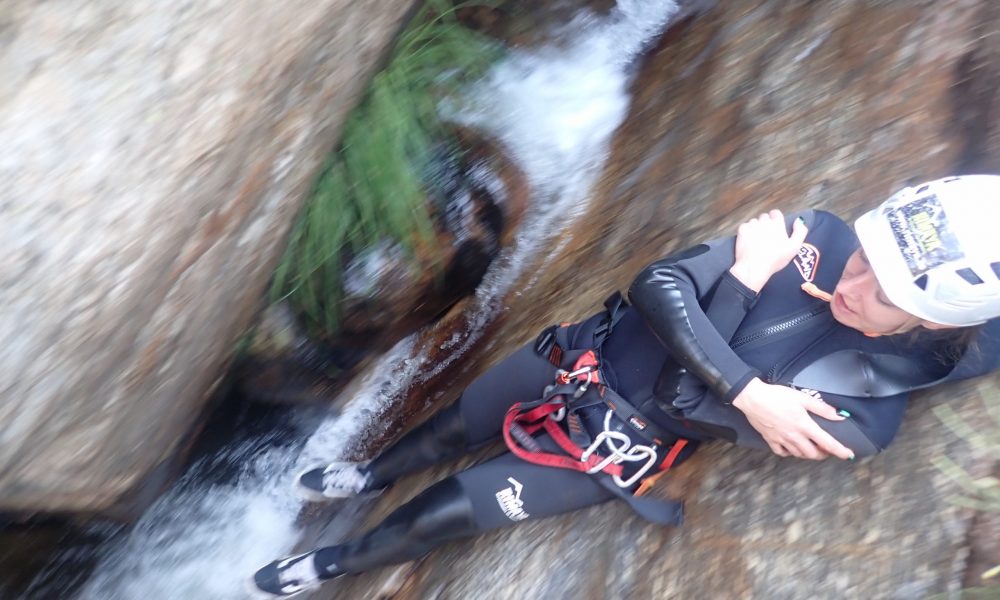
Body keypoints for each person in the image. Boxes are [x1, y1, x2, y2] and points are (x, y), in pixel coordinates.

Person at [249, 175, 1000, 598]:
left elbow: (681, 397)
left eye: (885, 291)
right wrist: (747, 384)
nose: (853, 280)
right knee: (456, 423)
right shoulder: (823, 234)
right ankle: (368, 473)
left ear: (931, 321)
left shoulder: (865, 416)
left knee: (450, 511)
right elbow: (657, 284)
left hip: (615, 442)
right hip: (587, 349)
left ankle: (331, 566)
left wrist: (739, 283)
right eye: (866, 256)